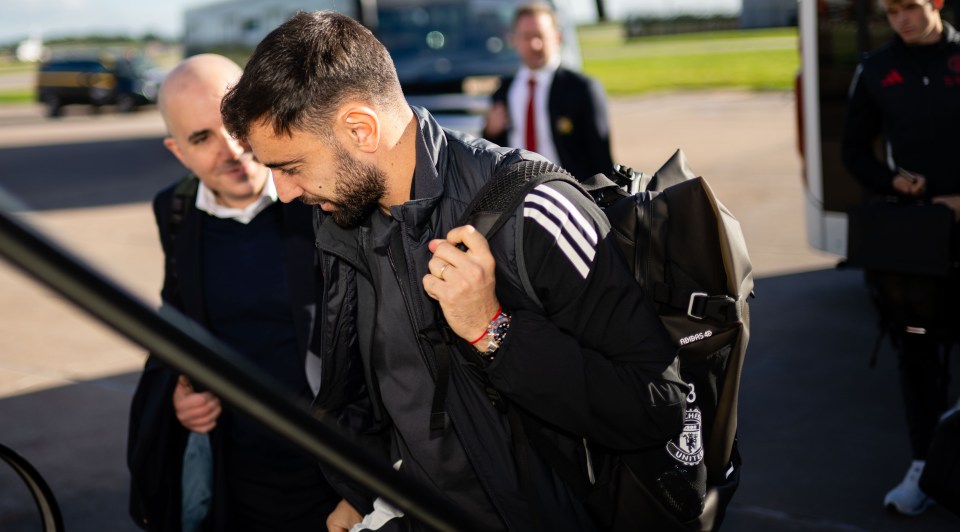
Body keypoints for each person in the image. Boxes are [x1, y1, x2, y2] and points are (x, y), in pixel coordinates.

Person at [221, 11, 686, 531]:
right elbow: (372, 389)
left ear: (360, 128)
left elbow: (656, 404)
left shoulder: (533, 210)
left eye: (289, 167)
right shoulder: (343, 216)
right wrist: (360, 490)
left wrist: (494, 332)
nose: (282, 192)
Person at [126, 54, 340, 531]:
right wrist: (178, 395)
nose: (230, 149)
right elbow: (175, 321)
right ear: (177, 152)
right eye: (201, 138)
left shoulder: (317, 195)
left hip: (336, 470)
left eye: (232, 123)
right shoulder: (176, 212)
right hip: (238, 472)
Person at [841, 0, 960, 517]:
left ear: (934, 2)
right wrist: (893, 183)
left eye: (910, 6)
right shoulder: (875, 68)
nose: (902, 19)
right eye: (891, 11)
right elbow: (852, 151)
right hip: (914, 239)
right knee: (916, 354)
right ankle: (924, 467)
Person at [481, 2, 614, 182]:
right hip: (516, 197)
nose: (535, 44)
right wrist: (490, 131)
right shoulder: (504, 91)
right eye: (527, 36)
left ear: (557, 37)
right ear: (514, 40)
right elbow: (491, 152)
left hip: (569, 196)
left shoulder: (582, 88)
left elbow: (601, 161)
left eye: (540, 36)